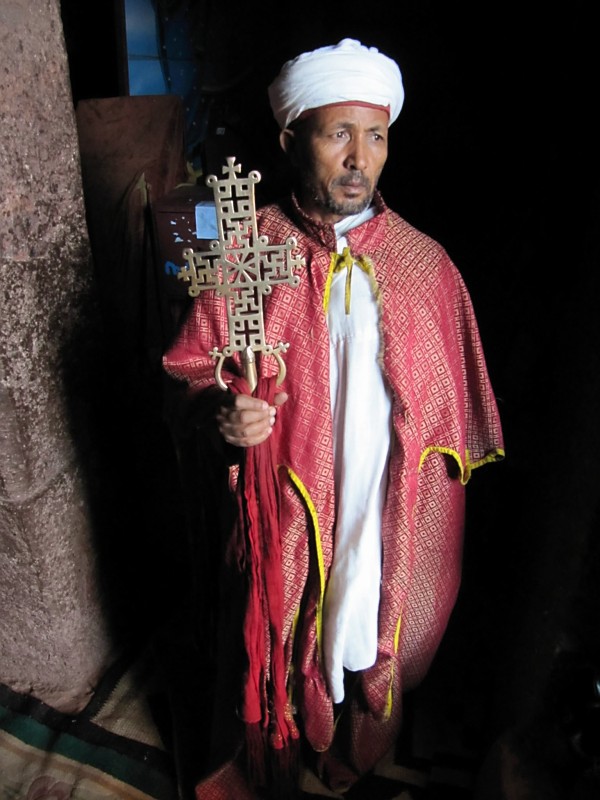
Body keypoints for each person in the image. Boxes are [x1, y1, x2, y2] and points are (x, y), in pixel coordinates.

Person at [163, 37, 505, 799]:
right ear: (292, 141)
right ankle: (282, 750)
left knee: (384, 626)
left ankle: (358, 749)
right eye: (337, 134)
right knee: (287, 628)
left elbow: (452, 413)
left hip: (390, 501)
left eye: (375, 136)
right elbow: (190, 371)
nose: (359, 158)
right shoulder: (251, 252)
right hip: (292, 495)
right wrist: (221, 410)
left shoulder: (426, 265)